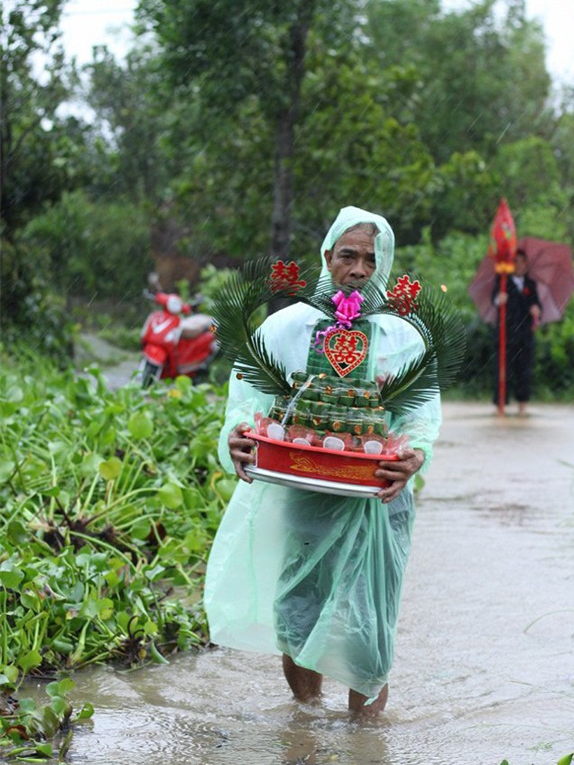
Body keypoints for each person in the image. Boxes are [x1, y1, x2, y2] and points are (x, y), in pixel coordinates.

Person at [203, 206, 441, 717]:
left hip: (376, 497)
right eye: (348, 255)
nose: (358, 269)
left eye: (369, 260)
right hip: (304, 491)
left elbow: (423, 415)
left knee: (368, 619)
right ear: (327, 257)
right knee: (298, 607)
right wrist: (236, 435)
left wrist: (415, 456)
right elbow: (246, 396)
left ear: (384, 265)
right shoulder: (286, 327)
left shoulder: (405, 336)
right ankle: (306, 720)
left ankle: (364, 744)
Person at [492, 249, 542, 416]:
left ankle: (522, 406)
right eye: (516, 262)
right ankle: (501, 406)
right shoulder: (502, 281)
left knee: (524, 371)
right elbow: (494, 300)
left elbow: (537, 304)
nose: (519, 265)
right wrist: (500, 299)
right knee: (503, 371)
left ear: (526, 264)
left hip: (525, 336)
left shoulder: (531, 284)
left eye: (522, 262)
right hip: (506, 335)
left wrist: (536, 310)